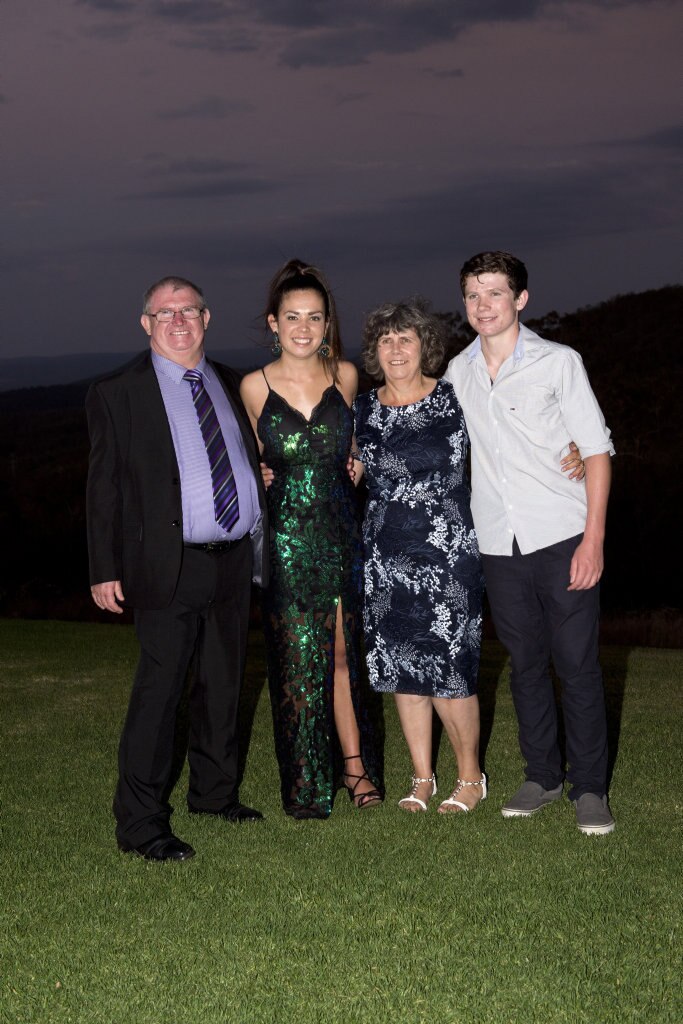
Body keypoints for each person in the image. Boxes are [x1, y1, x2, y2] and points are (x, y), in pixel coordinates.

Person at [86, 275, 268, 862]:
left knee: (223, 685)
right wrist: (103, 567)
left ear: (206, 319)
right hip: (167, 566)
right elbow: (103, 490)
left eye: (188, 310)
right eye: (165, 313)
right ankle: (140, 824)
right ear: (146, 324)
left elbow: (236, 455)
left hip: (233, 561)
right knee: (160, 695)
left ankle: (214, 795)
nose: (178, 321)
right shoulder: (118, 392)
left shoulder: (229, 383)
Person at [444, 251, 615, 835]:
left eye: (494, 292)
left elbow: (595, 451)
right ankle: (542, 776)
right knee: (525, 665)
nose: (482, 305)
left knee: (577, 664)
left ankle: (590, 788)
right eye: (472, 294)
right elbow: (428, 438)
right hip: (496, 541)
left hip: (561, 533)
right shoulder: (458, 372)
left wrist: (592, 541)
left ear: (521, 299)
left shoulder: (559, 363)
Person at [240, 259, 382, 819]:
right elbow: (238, 455)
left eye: (315, 317)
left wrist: (361, 462)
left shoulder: (345, 376)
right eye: (292, 316)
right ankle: (306, 786)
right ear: (273, 323)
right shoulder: (253, 386)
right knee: (297, 661)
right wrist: (259, 471)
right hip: (286, 540)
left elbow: (362, 440)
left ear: (327, 324)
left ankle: (355, 769)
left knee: (345, 657)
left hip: (340, 531)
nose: (304, 326)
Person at [353, 300, 486, 814]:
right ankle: (423, 777)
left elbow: (506, 435)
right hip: (387, 559)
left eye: (405, 338)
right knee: (403, 669)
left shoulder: (455, 397)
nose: (396, 348)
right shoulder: (363, 409)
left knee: (451, 670)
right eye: (386, 340)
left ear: (424, 346)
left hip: (449, 554)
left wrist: (568, 449)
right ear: (375, 352)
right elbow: (346, 468)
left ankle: (471, 778)